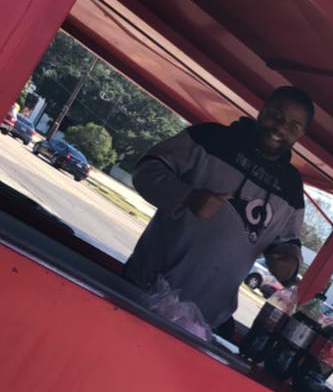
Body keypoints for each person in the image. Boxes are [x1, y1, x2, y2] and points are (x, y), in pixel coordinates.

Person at [124, 87, 314, 330]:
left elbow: (287, 243)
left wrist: (289, 265)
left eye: (293, 125)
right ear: (262, 109)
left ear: (301, 134)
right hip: (143, 292)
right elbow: (145, 172)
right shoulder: (208, 138)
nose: (280, 127)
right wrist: (187, 197)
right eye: (276, 115)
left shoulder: (292, 187)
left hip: (207, 322)